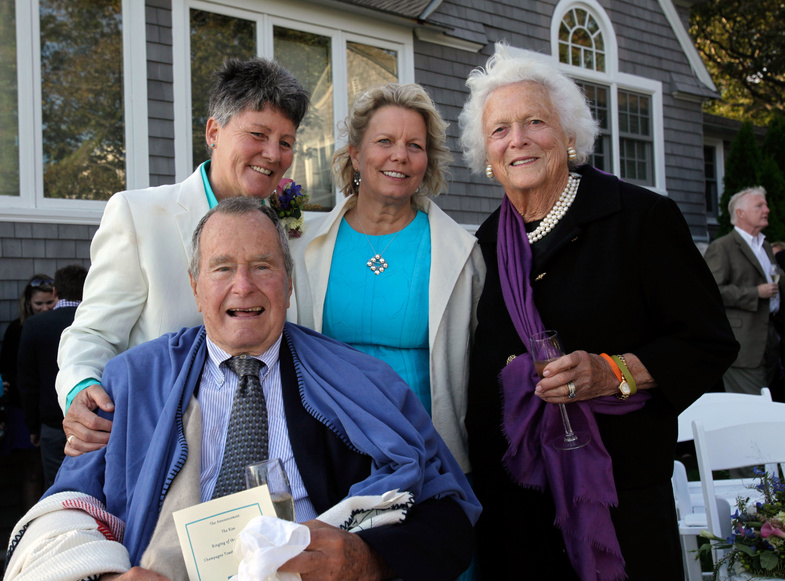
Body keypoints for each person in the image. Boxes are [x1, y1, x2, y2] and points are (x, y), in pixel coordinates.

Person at [4, 198, 480, 581]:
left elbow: (450, 519)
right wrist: (109, 576)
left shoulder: (361, 382)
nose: (244, 286)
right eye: (223, 268)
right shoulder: (131, 382)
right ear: (195, 287)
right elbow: (61, 511)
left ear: (289, 285)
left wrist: (364, 560)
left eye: (263, 266)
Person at [457, 44, 738, 580]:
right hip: (515, 501)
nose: (517, 140)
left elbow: (708, 343)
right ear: (487, 157)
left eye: (534, 121)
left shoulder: (641, 219)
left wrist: (613, 373)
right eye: (499, 130)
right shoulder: (488, 241)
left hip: (618, 497)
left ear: (568, 134)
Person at [55, 57, 309, 456]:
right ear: (213, 131)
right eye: (257, 134)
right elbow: (92, 334)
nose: (273, 154)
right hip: (165, 453)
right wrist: (80, 388)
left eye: (286, 142)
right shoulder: (139, 216)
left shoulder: (288, 232)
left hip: (276, 448)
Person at [289, 83, 485, 474]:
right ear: (356, 155)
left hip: (424, 451)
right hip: (329, 449)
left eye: (415, 145)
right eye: (385, 141)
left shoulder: (460, 252)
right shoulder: (302, 244)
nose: (400, 155)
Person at [705, 187, 784, 395]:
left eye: (765, 205)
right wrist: (754, 293)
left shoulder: (765, 246)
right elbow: (711, 293)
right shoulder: (723, 247)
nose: (767, 209)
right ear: (740, 213)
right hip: (743, 344)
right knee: (754, 407)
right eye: (759, 205)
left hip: (769, 340)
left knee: (767, 402)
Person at [18, 264, 88, 489]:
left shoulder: (34, 325)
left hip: (51, 425)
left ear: (55, 292)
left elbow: (28, 383)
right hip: (94, 422)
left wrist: (32, 428)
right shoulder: (97, 324)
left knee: (57, 489)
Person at [0, 274, 55, 511]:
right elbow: (10, 373)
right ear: (28, 303)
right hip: (23, 411)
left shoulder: (61, 326)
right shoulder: (17, 329)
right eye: (38, 304)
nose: (44, 309)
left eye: (48, 303)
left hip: (52, 410)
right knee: (32, 470)